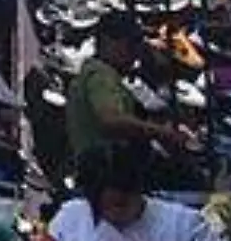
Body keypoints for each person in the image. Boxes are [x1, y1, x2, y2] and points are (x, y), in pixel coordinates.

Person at [46, 141, 225, 241]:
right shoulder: (68, 220)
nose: (115, 215)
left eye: (121, 204)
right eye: (104, 207)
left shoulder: (184, 225)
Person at [65, 11, 186, 164]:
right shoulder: (101, 75)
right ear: (108, 42)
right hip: (106, 170)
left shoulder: (92, 72)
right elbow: (111, 120)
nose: (135, 52)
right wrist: (161, 132)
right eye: (130, 44)